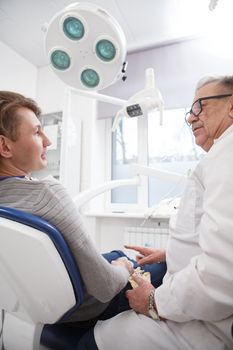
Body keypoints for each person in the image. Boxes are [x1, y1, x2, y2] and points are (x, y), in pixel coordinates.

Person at [76, 75, 233, 349]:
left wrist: (152, 301)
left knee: (90, 342)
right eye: (189, 111)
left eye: (200, 107)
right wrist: (171, 252)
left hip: (204, 327)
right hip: (197, 306)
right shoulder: (220, 154)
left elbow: (221, 273)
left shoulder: (227, 152)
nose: (191, 118)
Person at [0, 91, 167, 328]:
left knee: (114, 254)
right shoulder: (47, 193)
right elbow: (105, 286)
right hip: (88, 308)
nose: (48, 141)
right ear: (4, 146)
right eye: (37, 131)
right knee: (158, 266)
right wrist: (124, 267)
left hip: (39, 304)